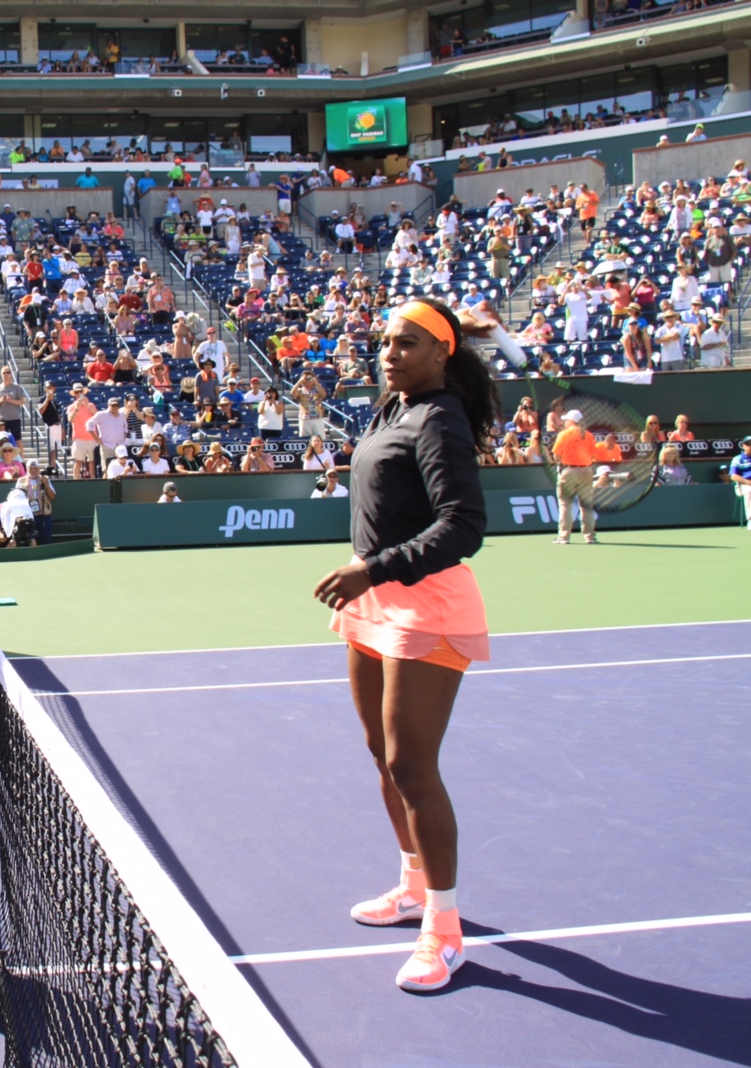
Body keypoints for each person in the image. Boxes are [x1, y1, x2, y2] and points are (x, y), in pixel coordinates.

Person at [312, 297, 497, 994]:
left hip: (426, 605)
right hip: (374, 602)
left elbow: (464, 526)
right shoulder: (393, 409)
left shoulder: (441, 418)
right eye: (386, 341)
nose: (390, 353)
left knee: (412, 766)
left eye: (408, 344)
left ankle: (444, 932)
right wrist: (369, 574)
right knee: (381, 760)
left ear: (441, 354)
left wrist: (373, 565)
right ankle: (413, 886)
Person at [550, 408, 598, 545]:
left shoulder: (564, 434)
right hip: (586, 471)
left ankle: (564, 537)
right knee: (586, 506)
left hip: (569, 471)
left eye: (566, 420)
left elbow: (556, 456)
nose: (564, 422)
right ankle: (590, 537)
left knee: (565, 505)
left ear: (571, 421)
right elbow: (593, 455)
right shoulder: (588, 435)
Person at [731, 437, 751, 530]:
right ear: (743, 445)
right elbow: (733, 476)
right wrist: (748, 482)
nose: (750, 446)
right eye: (748, 444)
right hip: (743, 485)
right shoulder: (737, 459)